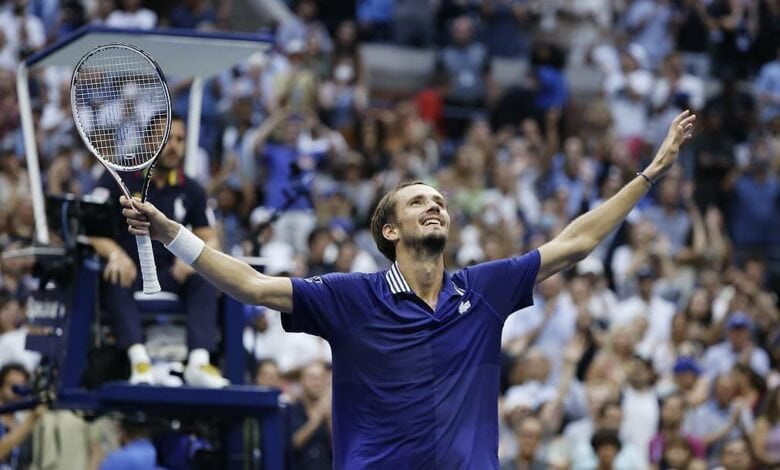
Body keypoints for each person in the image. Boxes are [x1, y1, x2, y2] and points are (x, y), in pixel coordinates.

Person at [119, 112, 696, 468]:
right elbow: (251, 285)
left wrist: (649, 174)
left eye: (439, 199)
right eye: (419, 200)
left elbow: (575, 243)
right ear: (390, 231)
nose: (435, 203)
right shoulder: (350, 297)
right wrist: (174, 234)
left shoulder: (483, 289)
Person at [90, 115, 226, 388]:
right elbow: (90, 230)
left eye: (179, 140)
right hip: (130, 272)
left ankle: (199, 362)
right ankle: (139, 360)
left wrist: (194, 258)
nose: (174, 146)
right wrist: (115, 254)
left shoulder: (192, 188)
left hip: (170, 274)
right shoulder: (121, 178)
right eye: (167, 139)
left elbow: (211, 238)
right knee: (114, 275)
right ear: (149, 141)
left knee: (205, 275)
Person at [0, 363, 45, 469]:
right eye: (13, 387)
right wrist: (32, 418)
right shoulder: (27, 423)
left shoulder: (22, 422)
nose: (18, 393)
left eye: (22, 387)